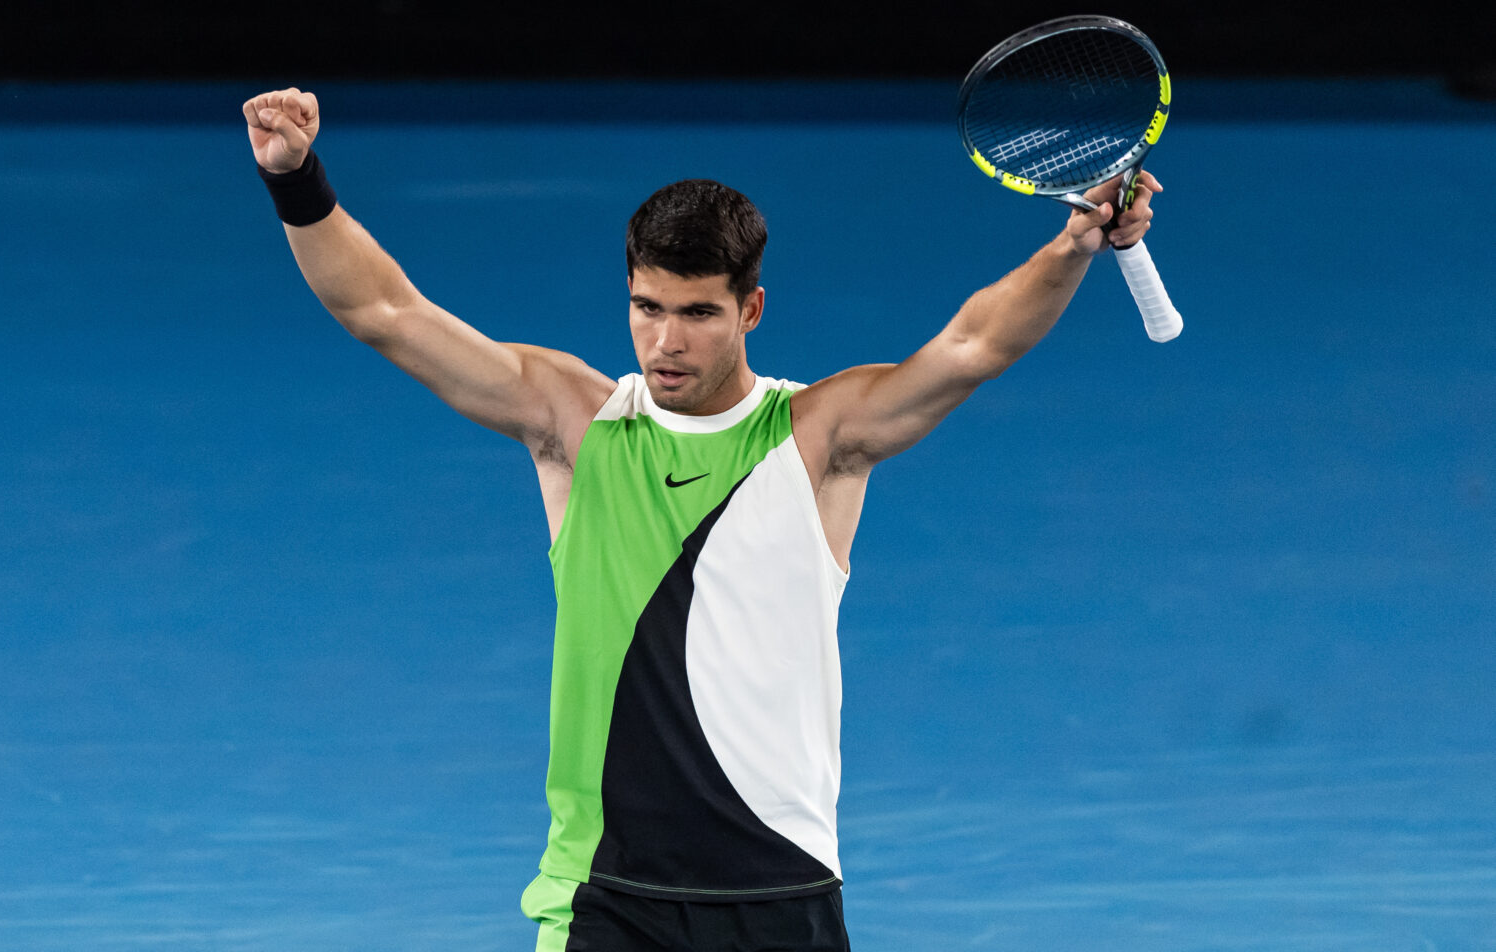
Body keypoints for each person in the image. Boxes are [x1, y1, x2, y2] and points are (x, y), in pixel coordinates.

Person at [243, 86, 1162, 952]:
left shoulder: (819, 437)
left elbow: (973, 345)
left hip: (781, 887)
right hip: (605, 892)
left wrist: (1073, 247)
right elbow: (385, 311)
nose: (666, 341)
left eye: (697, 313)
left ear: (750, 308)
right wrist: (295, 176)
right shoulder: (575, 424)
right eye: (648, 308)